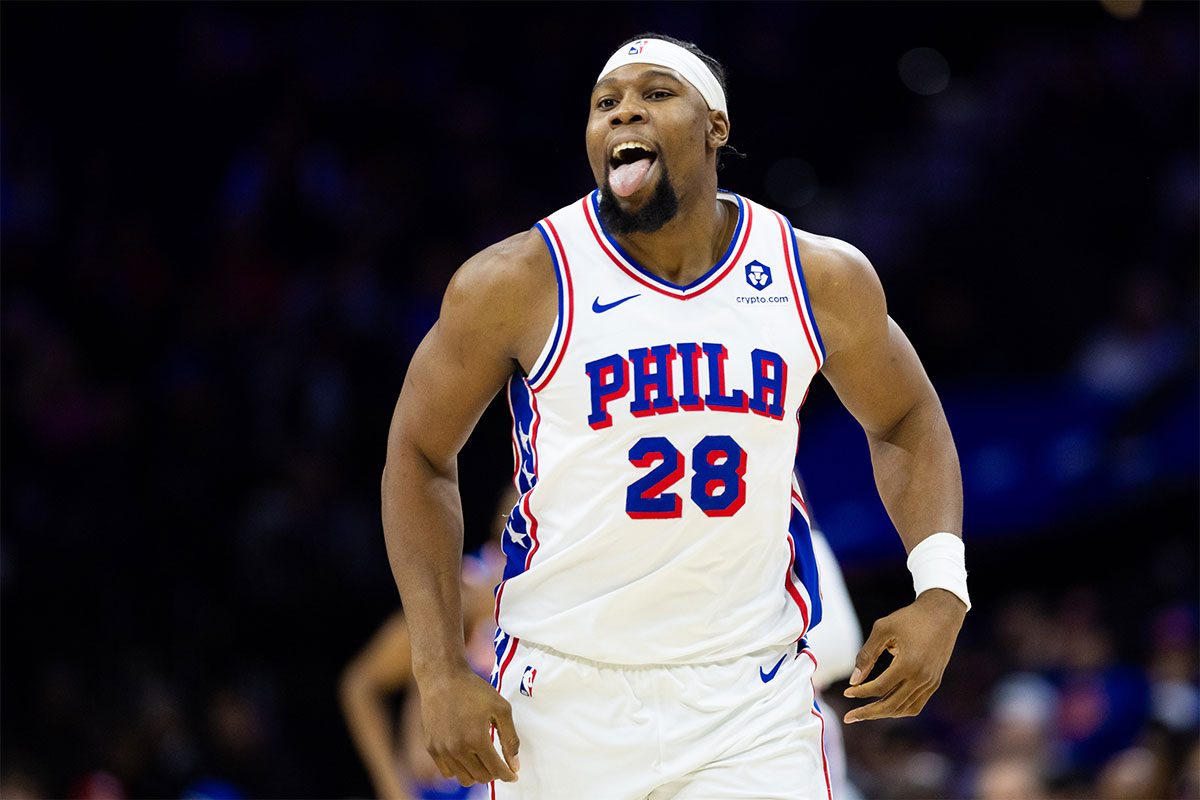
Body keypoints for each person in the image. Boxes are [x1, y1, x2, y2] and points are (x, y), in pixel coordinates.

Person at [381, 33, 970, 799]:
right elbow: (418, 455)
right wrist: (437, 669)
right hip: (563, 695)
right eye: (605, 103)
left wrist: (941, 589)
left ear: (715, 127)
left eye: (656, 94)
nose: (625, 111)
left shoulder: (812, 275)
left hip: (747, 695)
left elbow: (906, 418)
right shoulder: (518, 281)